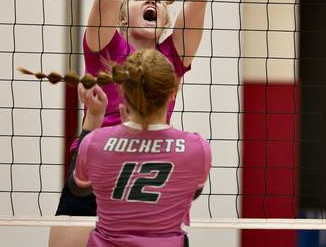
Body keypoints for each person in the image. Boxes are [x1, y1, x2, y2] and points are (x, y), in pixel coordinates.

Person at [50, 0, 236, 246]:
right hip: (99, 157)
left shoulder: (173, 53)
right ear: (122, 17)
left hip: (154, 155)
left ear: (165, 16)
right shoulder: (105, 46)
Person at [24, 49, 212, 246]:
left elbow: (77, 191)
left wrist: (95, 120)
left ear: (124, 90)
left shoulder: (95, 143)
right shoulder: (197, 148)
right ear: (172, 93)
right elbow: (193, 191)